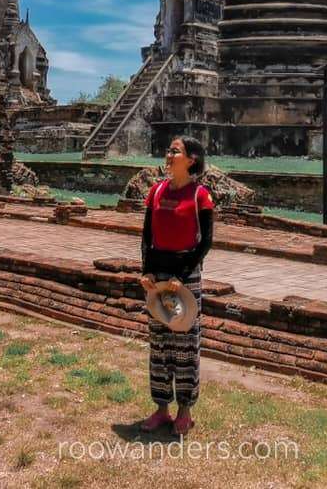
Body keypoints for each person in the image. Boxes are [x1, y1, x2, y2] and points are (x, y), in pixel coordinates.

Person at [137, 136, 214, 436]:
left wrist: (181, 275)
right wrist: (146, 271)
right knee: (159, 344)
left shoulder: (200, 196)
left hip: (185, 274)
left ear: (191, 159)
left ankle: (185, 409)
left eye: (175, 151)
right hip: (157, 274)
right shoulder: (155, 191)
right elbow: (147, 236)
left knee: (184, 344)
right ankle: (161, 407)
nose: (169, 155)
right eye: (168, 150)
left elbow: (205, 243)